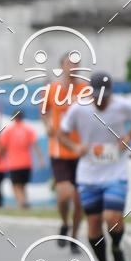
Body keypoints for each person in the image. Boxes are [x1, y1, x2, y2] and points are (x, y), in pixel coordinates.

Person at [58, 72, 131, 261]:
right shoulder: (79, 108)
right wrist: (75, 146)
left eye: (105, 96)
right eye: (97, 96)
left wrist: (128, 137)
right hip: (88, 174)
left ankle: (116, 246)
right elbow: (62, 133)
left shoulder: (123, 106)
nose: (101, 100)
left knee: (112, 218)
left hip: (116, 171)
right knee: (94, 224)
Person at [43, 53, 87, 250]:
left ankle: (75, 237)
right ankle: (64, 222)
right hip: (59, 150)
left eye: (76, 64)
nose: (73, 67)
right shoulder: (52, 89)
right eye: (69, 64)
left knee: (79, 199)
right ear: (62, 67)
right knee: (64, 194)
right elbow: (43, 110)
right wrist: (47, 124)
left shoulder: (85, 90)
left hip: (81, 151)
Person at [0, 110, 45, 208]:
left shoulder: (8, 131)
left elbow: (3, 148)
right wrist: (41, 159)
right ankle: (24, 201)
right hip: (26, 163)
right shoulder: (28, 130)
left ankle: (22, 202)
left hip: (14, 163)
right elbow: (35, 146)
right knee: (23, 185)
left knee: (16, 185)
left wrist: (0, 156)